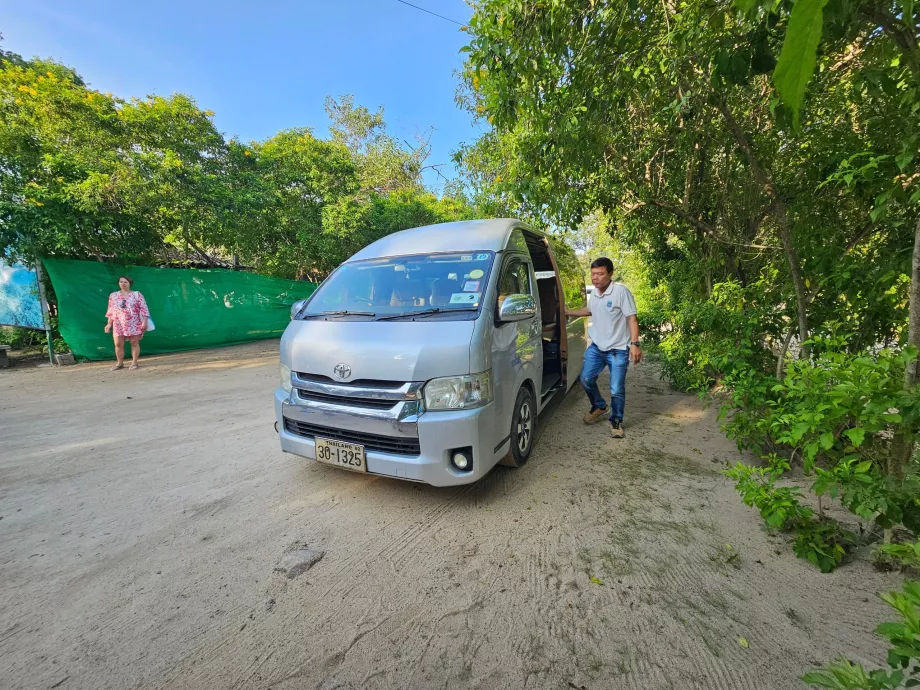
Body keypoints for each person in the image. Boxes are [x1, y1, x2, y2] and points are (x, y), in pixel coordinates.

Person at [565, 257, 642, 438]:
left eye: (600, 274)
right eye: (593, 274)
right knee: (585, 379)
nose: (595, 278)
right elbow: (590, 310)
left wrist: (635, 344)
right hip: (597, 348)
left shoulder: (621, 292)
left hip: (618, 350)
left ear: (610, 274)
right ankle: (599, 406)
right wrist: (568, 312)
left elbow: (632, 318)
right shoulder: (596, 294)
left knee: (616, 389)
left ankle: (616, 421)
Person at [104, 275, 149, 371]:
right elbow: (111, 310)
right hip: (118, 323)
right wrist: (109, 323)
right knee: (118, 344)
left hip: (134, 322)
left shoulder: (137, 294)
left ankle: (134, 363)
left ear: (130, 283)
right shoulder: (113, 295)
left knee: (134, 343)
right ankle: (120, 363)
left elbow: (144, 309)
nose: (123, 284)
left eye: (125, 282)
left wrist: (144, 322)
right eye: (121, 282)